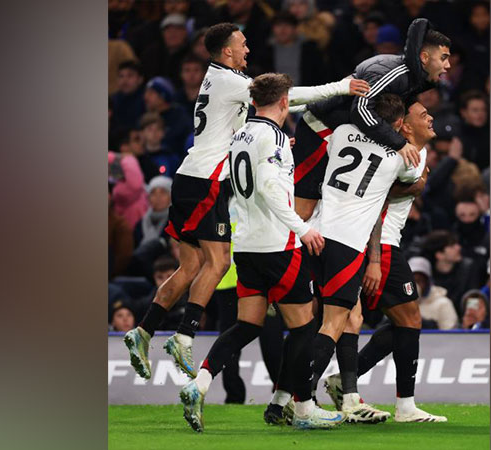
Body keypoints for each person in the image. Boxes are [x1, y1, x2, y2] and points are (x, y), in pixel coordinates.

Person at [124, 22, 370, 382]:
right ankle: (184, 335)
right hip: (206, 180)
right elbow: (288, 96)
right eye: (243, 43)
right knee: (219, 262)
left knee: (190, 267)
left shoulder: (218, 79)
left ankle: (142, 331)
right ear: (227, 51)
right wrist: (341, 87)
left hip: (189, 177)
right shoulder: (232, 82)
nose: (248, 49)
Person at [179, 73, 345, 432]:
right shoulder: (275, 137)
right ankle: (302, 409)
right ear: (285, 102)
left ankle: (200, 383)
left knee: (246, 326)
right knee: (304, 327)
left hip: (247, 246)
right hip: (278, 245)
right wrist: (303, 228)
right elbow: (271, 187)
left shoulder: (239, 134)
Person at [323, 101, 447, 423]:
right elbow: (375, 201)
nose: (430, 118)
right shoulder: (401, 157)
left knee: (371, 320)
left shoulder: (413, 158)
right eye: (422, 116)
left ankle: (329, 386)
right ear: (404, 127)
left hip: (363, 242)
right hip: (380, 245)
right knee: (407, 319)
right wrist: (375, 259)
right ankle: (404, 406)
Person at [292, 18, 451, 223]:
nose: (448, 65)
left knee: (322, 212)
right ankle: (266, 250)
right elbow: (360, 109)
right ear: (425, 57)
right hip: (320, 131)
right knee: (303, 212)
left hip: (342, 136)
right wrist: (399, 143)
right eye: (444, 58)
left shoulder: (415, 79)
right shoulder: (393, 71)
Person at [421, 229, 483, 315]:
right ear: (439, 255)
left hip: (462, 321)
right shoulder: (425, 273)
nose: (458, 247)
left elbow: (473, 297)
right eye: (452, 246)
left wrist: (471, 316)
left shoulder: (469, 268)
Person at [143, 76, 194, 157]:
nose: (146, 97)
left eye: (151, 93)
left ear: (163, 95)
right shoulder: (147, 115)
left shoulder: (180, 117)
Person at [140, 13, 191, 88]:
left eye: (177, 29)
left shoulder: (192, 55)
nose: (172, 34)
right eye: (168, 30)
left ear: (185, 33)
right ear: (162, 34)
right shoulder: (151, 54)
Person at [409, 256, 458, 330]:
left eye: (419, 281)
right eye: (412, 281)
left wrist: (431, 328)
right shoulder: (399, 305)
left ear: (427, 282)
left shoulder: (443, 304)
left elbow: (450, 337)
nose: (415, 285)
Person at [133, 176, 172, 248]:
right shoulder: (140, 225)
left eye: (163, 192)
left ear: (171, 196)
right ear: (148, 198)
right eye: (153, 193)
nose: (158, 197)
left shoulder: (176, 223)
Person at [110, 60, 146, 131]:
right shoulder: (112, 100)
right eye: (121, 76)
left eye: (130, 76)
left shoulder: (146, 100)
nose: (124, 80)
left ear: (140, 79)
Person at [458, 89, 489, 170]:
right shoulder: (457, 136)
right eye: (475, 110)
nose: (480, 114)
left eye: (483, 110)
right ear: (464, 112)